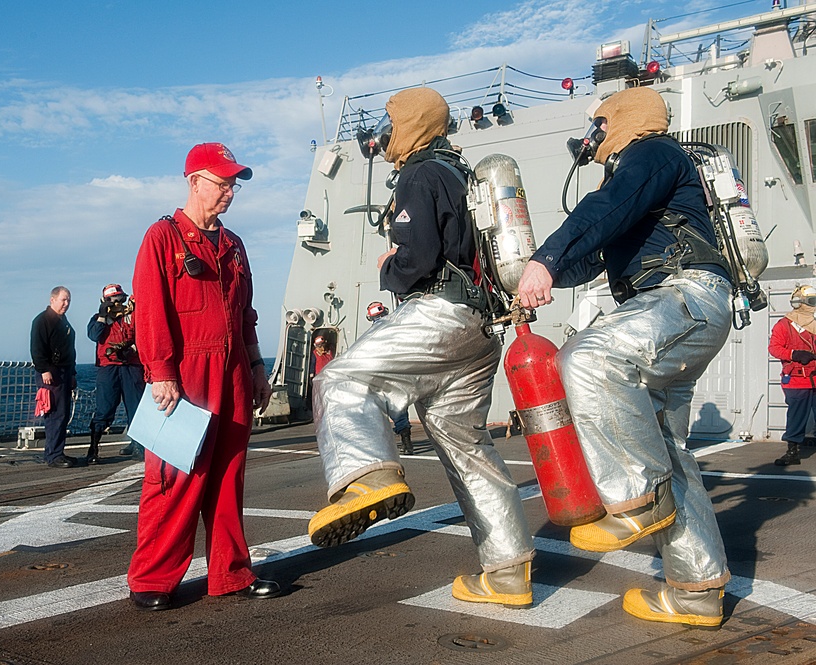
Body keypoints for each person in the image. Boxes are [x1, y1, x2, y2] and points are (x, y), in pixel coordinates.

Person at [308, 87, 536, 608]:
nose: (385, 134)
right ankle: (507, 573)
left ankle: (369, 478)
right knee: (467, 449)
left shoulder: (419, 173)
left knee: (340, 380)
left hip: (441, 314)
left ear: (412, 124)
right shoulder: (460, 172)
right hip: (481, 329)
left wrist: (390, 264)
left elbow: (417, 259)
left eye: (392, 122)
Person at [517, 86, 732, 628]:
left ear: (621, 121)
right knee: (668, 452)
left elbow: (602, 210)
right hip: (670, 309)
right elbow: (594, 252)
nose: (590, 134)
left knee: (588, 358)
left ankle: (636, 500)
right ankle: (696, 590)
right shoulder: (639, 177)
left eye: (598, 122)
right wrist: (540, 279)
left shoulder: (651, 153)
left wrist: (544, 259)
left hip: (683, 296)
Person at [127, 142, 278, 611]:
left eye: (233, 183)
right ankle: (152, 579)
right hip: (187, 370)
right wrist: (160, 372)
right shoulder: (163, 238)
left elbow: (245, 314)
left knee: (228, 475)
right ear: (194, 181)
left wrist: (256, 367)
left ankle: (230, 572)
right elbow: (151, 311)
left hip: (233, 369)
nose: (229, 191)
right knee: (173, 475)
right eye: (221, 182)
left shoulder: (233, 246)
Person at [85, 284, 145, 464]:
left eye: (120, 299)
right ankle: (93, 448)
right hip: (108, 368)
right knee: (104, 409)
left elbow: (142, 336)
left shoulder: (132, 317)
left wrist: (131, 349)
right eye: (114, 300)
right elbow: (94, 335)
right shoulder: (97, 319)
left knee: (136, 408)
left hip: (131, 367)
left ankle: (138, 445)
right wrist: (103, 316)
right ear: (104, 302)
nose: (118, 303)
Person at [768, 284, 816, 466]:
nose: (813, 306)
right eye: (810, 302)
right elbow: (774, 348)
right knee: (796, 417)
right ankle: (792, 451)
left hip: (815, 376)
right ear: (799, 303)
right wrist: (794, 354)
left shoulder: (814, 323)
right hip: (797, 379)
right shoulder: (784, 325)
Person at [30, 286, 77, 469]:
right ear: (52, 300)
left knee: (63, 413)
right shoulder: (42, 321)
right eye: (63, 300)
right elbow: (37, 347)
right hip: (51, 373)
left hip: (64, 372)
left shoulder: (63, 321)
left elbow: (70, 351)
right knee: (54, 413)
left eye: (68, 301)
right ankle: (53, 455)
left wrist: (72, 373)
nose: (66, 304)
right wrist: (44, 370)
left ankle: (58, 451)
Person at [366, 301, 414, 455]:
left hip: (380, 373)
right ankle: (407, 444)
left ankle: (380, 445)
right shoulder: (397, 327)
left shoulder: (371, 334)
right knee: (399, 407)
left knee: (375, 407)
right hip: (399, 373)